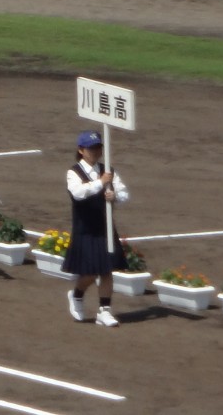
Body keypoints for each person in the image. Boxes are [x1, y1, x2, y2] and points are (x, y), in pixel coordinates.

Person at [62, 130, 130, 328]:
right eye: (91, 148)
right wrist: (101, 183)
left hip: (105, 227)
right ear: (81, 150)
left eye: (98, 147)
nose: (96, 151)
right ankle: (77, 294)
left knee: (107, 270)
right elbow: (78, 193)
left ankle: (105, 310)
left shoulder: (109, 171)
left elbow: (125, 194)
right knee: (91, 273)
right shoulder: (73, 172)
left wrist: (115, 196)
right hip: (85, 228)